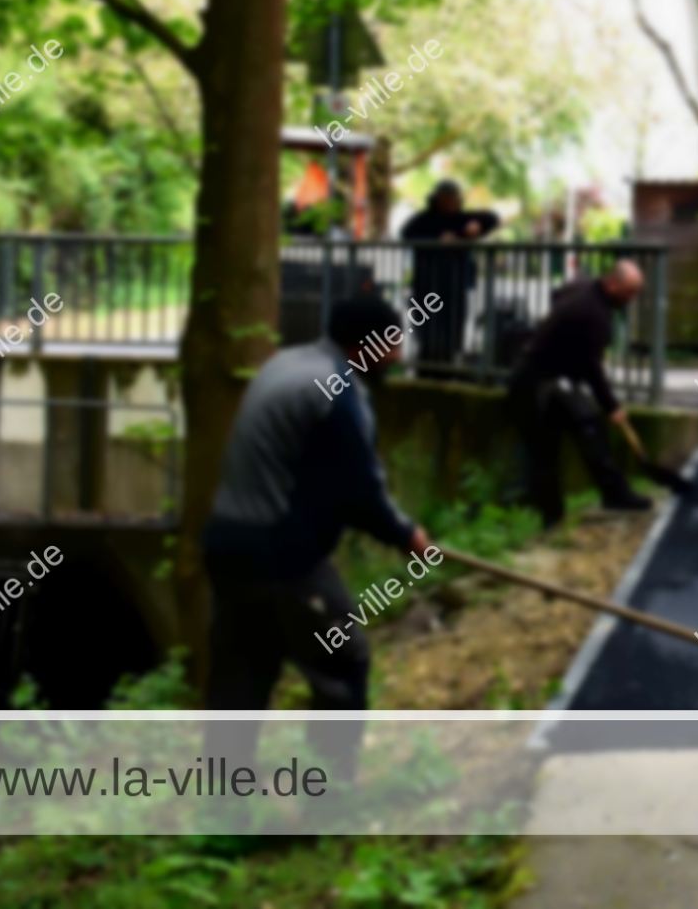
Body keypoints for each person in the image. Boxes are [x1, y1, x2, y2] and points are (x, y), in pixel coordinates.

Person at [201, 295, 432, 778]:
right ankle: (327, 797)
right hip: (281, 558)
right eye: (393, 344)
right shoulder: (338, 393)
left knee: (242, 671)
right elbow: (359, 490)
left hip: (227, 544)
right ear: (366, 344)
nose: (398, 356)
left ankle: (222, 801)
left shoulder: (286, 363)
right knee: (343, 660)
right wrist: (406, 534)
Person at [508, 259, 654, 523]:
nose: (631, 299)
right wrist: (612, 406)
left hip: (553, 377)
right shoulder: (593, 314)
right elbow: (592, 369)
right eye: (629, 291)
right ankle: (551, 517)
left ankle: (613, 494)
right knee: (545, 447)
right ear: (612, 284)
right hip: (533, 381)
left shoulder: (583, 287)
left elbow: (557, 294)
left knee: (588, 424)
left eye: (635, 292)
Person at [400, 180, 499, 374]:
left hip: (454, 288)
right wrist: (437, 240)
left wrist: (476, 225)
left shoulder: (462, 218)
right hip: (426, 287)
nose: (450, 204)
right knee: (427, 334)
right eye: (446, 200)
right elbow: (406, 233)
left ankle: (448, 372)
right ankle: (425, 372)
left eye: (454, 200)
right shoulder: (423, 220)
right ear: (436, 200)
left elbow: (492, 218)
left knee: (453, 335)